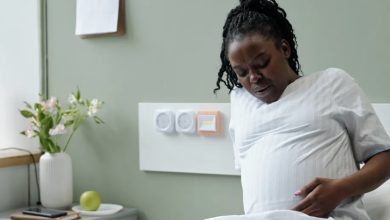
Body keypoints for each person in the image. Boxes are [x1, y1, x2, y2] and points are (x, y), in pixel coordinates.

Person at [212, 0, 390, 219]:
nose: (254, 78)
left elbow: (385, 157)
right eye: (241, 72)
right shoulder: (240, 103)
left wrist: (339, 189)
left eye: (262, 63)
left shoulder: (331, 84)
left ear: (284, 49)